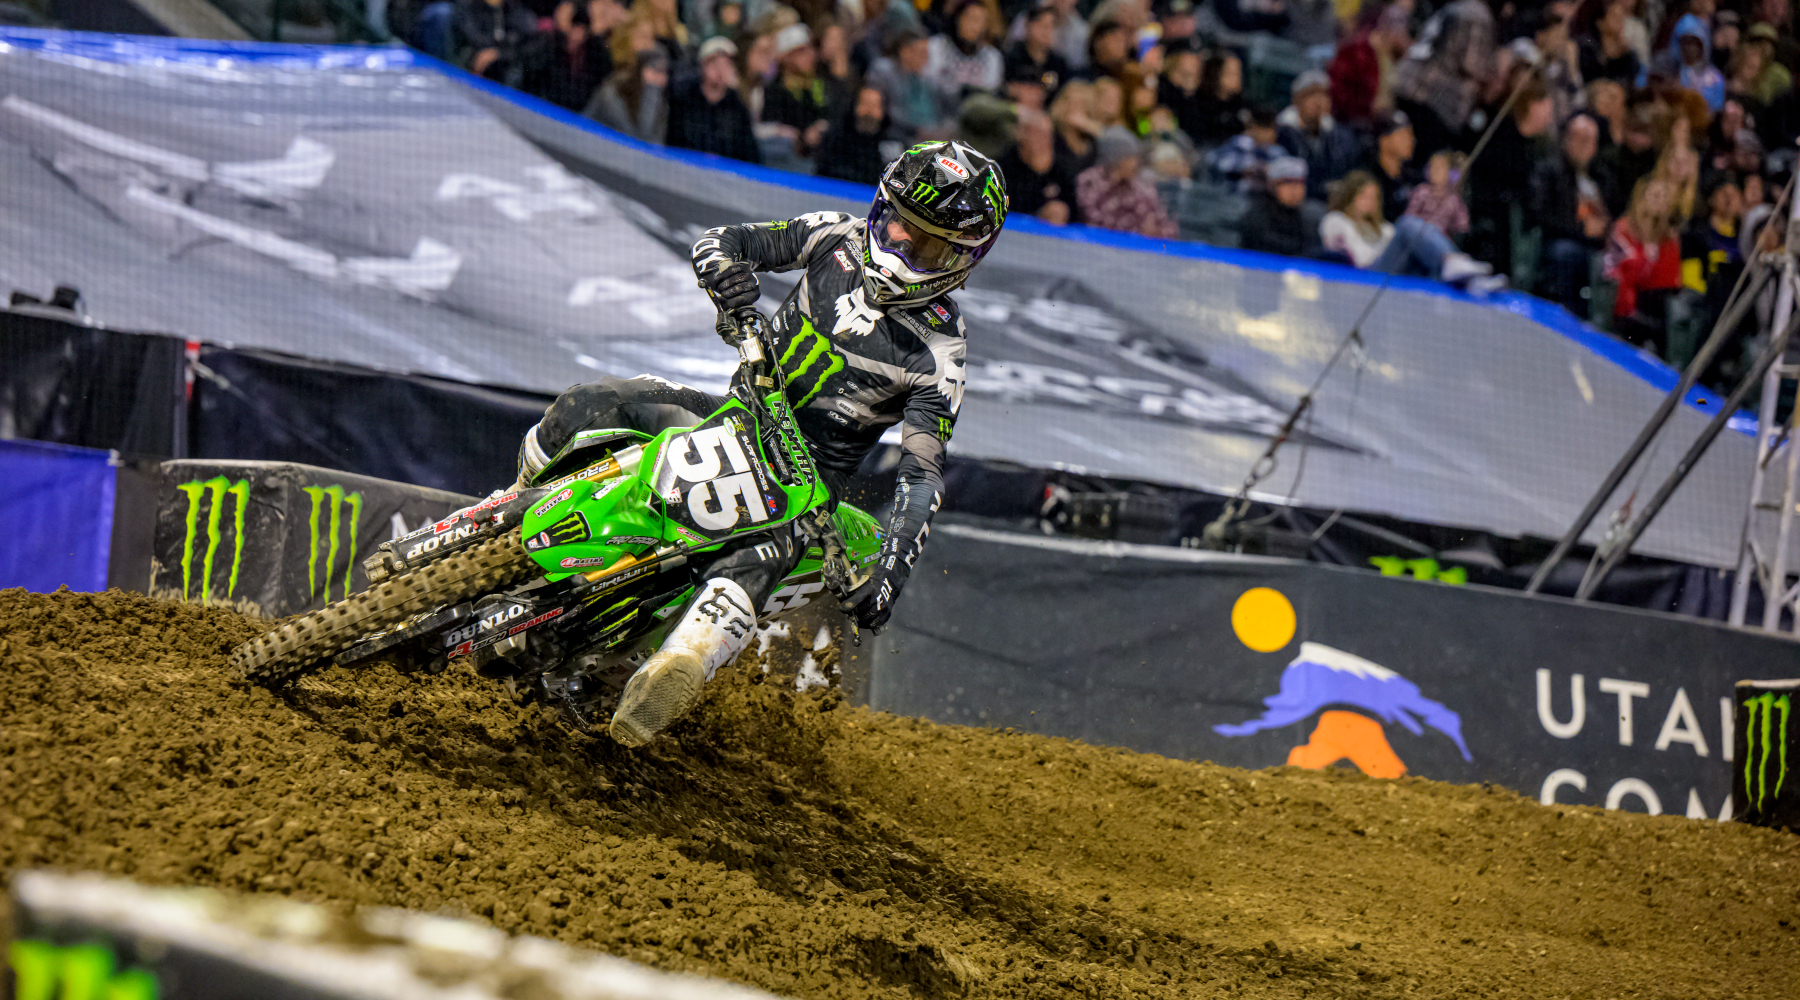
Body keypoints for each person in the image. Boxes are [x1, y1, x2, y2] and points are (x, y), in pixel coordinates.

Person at [512, 144, 1007, 747]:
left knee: (759, 559)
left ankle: (678, 666)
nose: (900, 244)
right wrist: (725, 277)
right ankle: (506, 520)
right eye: (897, 222)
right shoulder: (834, 235)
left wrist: (891, 572)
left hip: (801, 485)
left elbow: (922, 472)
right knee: (592, 403)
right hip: (732, 414)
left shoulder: (940, 354)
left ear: (962, 259)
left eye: (924, 245)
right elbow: (723, 240)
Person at [1320, 170, 1503, 289]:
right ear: (1350, 196)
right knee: (1407, 223)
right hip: (1365, 277)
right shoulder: (1336, 220)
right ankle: (1452, 261)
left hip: (1392, 279)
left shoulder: (1385, 228)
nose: (1369, 203)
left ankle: (1470, 283)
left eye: (1374, 198)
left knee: (1422, 247)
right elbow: (1347, 260)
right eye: (1363, 197)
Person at [1392, 0, 1498, 168]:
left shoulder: (1455, 7)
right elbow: (1472, 64)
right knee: (1422, 163)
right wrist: (1493, 74)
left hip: (1410, 86)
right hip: (1434, 100)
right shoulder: (1477, 15)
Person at [1531, 114, 1610, 313]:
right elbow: (1540, 212)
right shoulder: (1550, 171)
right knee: (1567, 253)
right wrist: (1581, 229)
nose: (1584, 146)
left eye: (1589, 140)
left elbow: (1614, 215)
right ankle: (1565, 313)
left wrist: (1604, 228)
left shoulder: (1601, 176)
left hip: (1598, 244)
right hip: (1561, 238)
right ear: (1567, 139)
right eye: (1579, 138)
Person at [1604, 175, 1684, 355]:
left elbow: (1669, 282)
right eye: (1655, 195)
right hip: (1623, 304)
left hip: (1652, 306)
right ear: (1641, 197)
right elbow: (1619, 272)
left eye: (1664, 197)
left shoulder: (1669, 241)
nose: (1660, 201)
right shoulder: (1622, 229)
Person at [666, 37, 762, 163]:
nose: (720, 69)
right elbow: (671, 141)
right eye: (714, 63)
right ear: (702, 65)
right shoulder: (684, 100)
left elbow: (750, 153)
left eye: (727, 64)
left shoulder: (737, 108)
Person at [1077, 126, 1178, 237]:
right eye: (1128, 158)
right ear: (1114, 159)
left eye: (1135, 158)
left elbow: (1169, 228)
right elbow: (1094, 224)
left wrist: (1156, 232)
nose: (1134, 164)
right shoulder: (1090, 182)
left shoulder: (1143, 187)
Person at [1277, 70, 1363, 202]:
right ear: (1297, 100)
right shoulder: (1283, 132)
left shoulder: (1339, 135)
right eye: (1311, 95)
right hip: (1301, 200)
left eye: (1323, 95)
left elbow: (1347, 169)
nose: (1318, 102)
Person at [1329, 3, 1411, 129]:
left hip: (1389, 120)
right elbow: (1338, 95)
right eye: (1402, 35)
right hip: (1355, 123)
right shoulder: (1354, 51)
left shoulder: (1398, 55)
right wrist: (1369, 107)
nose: (1406, 41)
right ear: (1388, 31)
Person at [584, 23, 669, 142]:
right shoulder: (617, 88)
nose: (663, 79)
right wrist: (651, 90)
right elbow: (637, 137)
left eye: (665, 72)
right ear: (641, 69)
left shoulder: (660, 102)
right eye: (657, 70)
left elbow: (655, 143)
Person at [869, 28, 954, 140]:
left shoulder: (930, 79)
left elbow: (948, 110)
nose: (926, 59)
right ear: (905, 52)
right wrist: (918, 131)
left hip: (932, 135)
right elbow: (888, 111)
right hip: (900, 136)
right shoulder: (884, 71)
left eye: (927, 53)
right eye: (922, 53)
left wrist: (944, 129)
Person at [998, 107, 1078, 223]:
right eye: (1038, 134)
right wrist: (1039, 215)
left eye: (1048, 135)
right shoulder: (1005, 167)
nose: (1045, 140)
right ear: (1022, 135)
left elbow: (1075, 213)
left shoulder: (1062, 168)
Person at [762, 23, 830, 159]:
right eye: (802, 51)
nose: (810, 55)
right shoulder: (774, 88)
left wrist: (820, 127)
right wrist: (802, 135)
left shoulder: (816, 83)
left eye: (810, 48)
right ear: (786, 57)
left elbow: (825, 113)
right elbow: (773, 127)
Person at [816, 86, 902, 185]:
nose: (869, 112)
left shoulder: (894, 144)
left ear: (883, 111)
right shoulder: (836, 138)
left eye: (874, 106)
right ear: (854, 106)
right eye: (865, 104)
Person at [927, 0, 1006, 100]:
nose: (975, 26)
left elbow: (990, 94)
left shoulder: (992, 57)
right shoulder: (936, 46)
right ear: (957, 19)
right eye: (971, 18)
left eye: (981, 21)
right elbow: (928, 84)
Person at [1239, 157, 1317, 256]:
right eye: (1287, 182)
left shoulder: (1310, 219)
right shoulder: (1256, 217)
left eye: (1300, 182)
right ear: (1271, 185)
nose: (1295, 188)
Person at [455, 0, 542, 86]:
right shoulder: (469, 7)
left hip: (504, 64)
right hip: (473, 58)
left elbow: (526, 47)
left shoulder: (518, 13)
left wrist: (498, 53)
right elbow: (472, 36)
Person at [1005, 0, 1072, 104]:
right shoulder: (1011, 57)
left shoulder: (1058, 63)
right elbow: (1002, 87)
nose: (1047, 32)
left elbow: (1061, 95)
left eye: (1052, 27)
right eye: (1043, 26)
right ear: (1028, 26)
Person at [1206, 105, 1284, 194]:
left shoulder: (1277, 152)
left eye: (1272, 130)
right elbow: (1212, 161)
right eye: (1264, 129)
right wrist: (1249, 167)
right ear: (1253, 127)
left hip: (1264, 199)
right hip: (1232, 196)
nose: (1270, 135)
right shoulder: (1238, 145)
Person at [1364, 109, 1419, 224]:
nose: (1411, 140)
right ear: (1384, 141)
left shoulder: (1412, 177)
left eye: (1411, 135)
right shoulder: (1369, 177)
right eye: (1403, 135)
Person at [1405, 150, 1470, 239]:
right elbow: (1408, 219)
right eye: (1432, 166)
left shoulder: (1454, 201)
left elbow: (1463, 228)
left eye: (1440, 167)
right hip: (1418, 238)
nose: (1434, 170)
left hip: (1439, 241)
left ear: (1451, 173)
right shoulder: (1422, 191)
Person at [1191, 49, 1246, 147]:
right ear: (1215, 74)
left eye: (1239, 73)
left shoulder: (1241, 106)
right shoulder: (1198, 105)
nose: (1238, 78)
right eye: (1231, 73)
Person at [1580, 0, 1642, 83]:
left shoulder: (1627, 54)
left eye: (1622, 17)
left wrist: (1624, 54)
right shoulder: (1587, 47)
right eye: (1614, 16)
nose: (1619, 21)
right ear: (1600, 23)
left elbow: (1634, 81)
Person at [1156, 46, 1207, 145]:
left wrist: (1189, 93)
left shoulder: (1201, 92)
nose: (1197, 60)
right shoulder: (1161, 88)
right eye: (1191, 56)